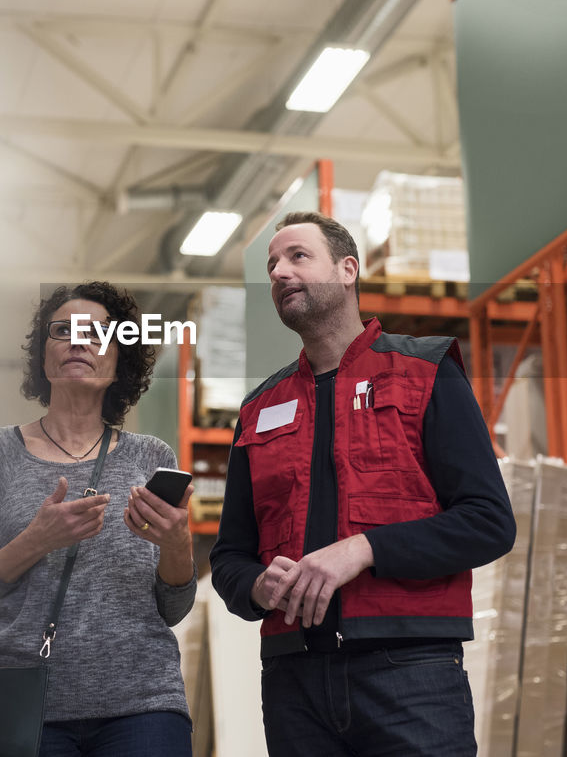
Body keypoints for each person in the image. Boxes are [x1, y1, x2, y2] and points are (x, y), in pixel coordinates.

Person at [210, 212, 517, 756]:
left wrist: (364, 549)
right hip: (293, 683)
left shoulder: (424, 372)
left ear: (347, 269)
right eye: (271, 264)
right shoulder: (260, 409)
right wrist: (257, 586)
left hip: (412, 674)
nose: (279, 272)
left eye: (297, 256)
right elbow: (230, 556)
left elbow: (488, 522)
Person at [0, 281, 197, 757]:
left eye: (96, 333)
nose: (78, 341)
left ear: (120, 359)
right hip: (16, 707)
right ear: (44, 354)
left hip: (142, 706)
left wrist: (177, 545)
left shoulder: (151, 456)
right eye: (63, 331)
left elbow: (172, 609)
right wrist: (34, 541)